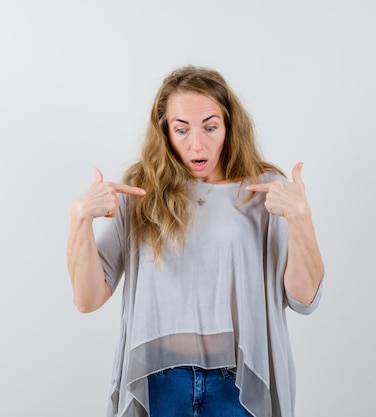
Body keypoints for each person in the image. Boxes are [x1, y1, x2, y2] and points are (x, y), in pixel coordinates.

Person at [66, 65, 324, 417]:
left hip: (237, 385)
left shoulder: (263, 189)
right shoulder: (141, 190)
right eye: (181, 129)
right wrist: (80, 218)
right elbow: (87, 299)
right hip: (160, 384)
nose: (197, 143)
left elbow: (304, 298)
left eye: (210, 127)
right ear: (165, 132)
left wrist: (301, 218)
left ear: (229, 126)